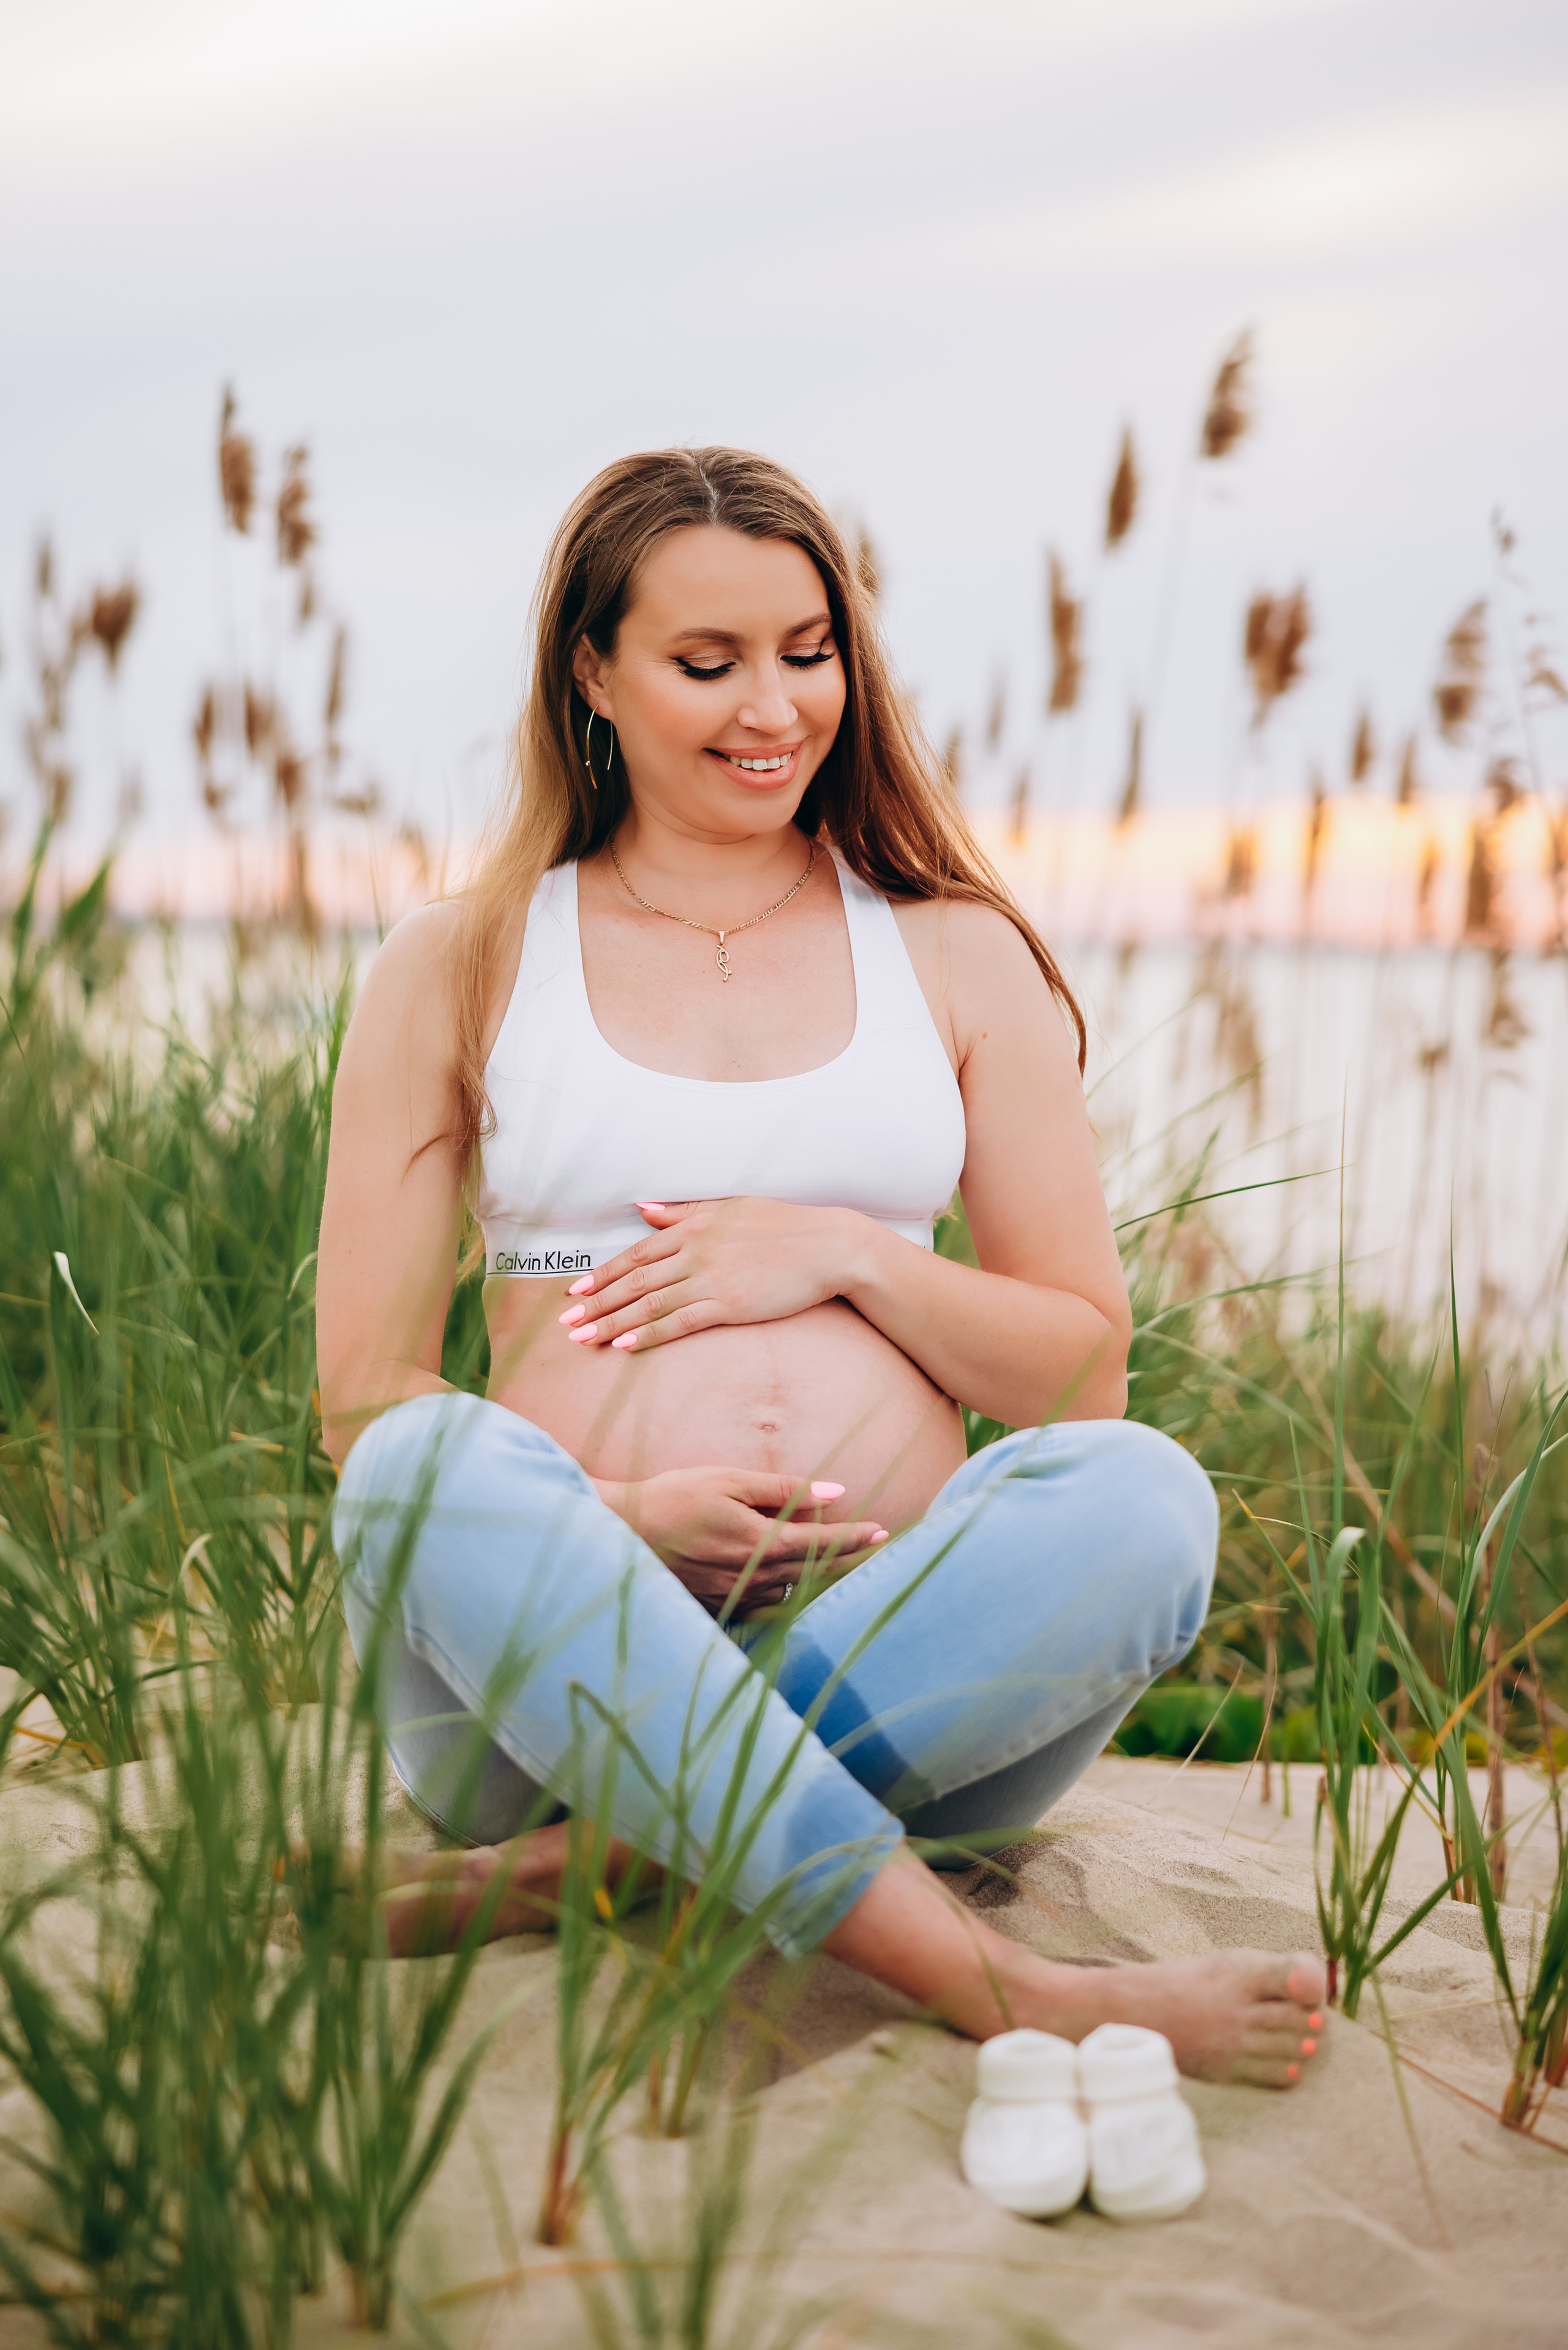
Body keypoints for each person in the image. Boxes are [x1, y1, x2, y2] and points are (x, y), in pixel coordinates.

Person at [316, 447, 1323, 2087]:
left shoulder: (952, 950)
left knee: (1145, 1492)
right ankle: (1008, 1989)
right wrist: (609, 1529)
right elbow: (363, 1402)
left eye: (808, 650)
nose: (771, 706)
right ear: (592, 670)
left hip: (901, 1667)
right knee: (426, 1463)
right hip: (540, 1690)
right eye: (706, 665)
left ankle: (605, 1865)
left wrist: (847, 1253)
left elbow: (1080, 1372)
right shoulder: (465, 957)